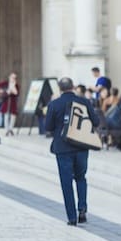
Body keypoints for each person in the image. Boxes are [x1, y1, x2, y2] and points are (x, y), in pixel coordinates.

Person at [44, 77, 96, 225]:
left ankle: (72, 217)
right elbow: (96, 121)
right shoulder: (84, 102)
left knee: (66, 182)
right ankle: (82, 208)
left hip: (63, 148)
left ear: (60, 89)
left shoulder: (54, 104)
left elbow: (48, 126)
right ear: (73, 86)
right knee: (81, 177)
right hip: (81, 145)